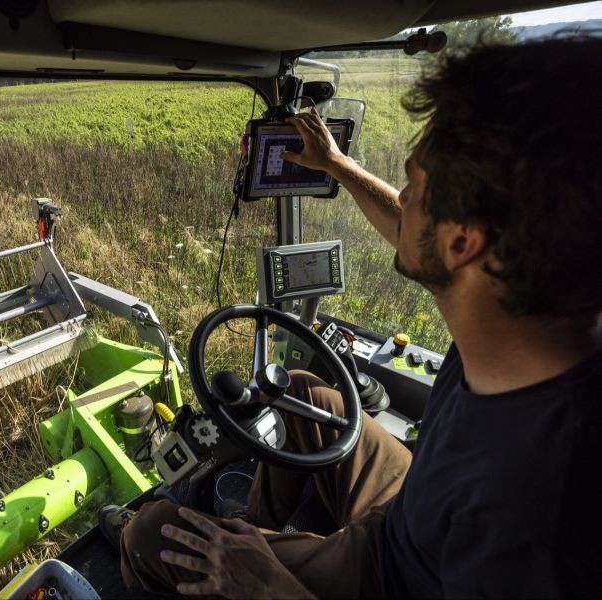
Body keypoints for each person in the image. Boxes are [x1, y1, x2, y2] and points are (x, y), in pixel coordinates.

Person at [104, 35, 602, 599]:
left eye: (415, 186)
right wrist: (336, 165)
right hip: (413, 507)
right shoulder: (526, 305)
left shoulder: (536, 518)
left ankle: (248, 562)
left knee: (151, 534)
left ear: (463, 243)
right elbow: (409, 226)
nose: (402, 198)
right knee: (305, 394)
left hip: (396, 577)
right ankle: (252, 528)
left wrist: (266, 584)